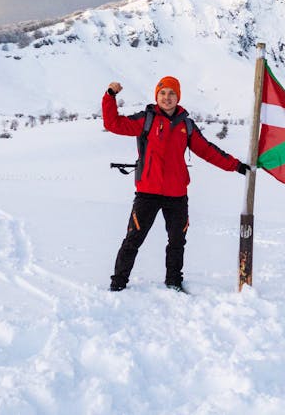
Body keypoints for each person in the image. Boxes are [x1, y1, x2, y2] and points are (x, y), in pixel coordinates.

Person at [102, 75, 249, 292]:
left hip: (177, 194)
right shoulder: (146, 120)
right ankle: (118, 284)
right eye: (163, 93)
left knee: (177, 242)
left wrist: (236, 166)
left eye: (171, 93)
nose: (167, 97)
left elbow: (207, 150)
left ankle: (174, 282)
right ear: (157, 96)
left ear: (178, 97)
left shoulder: (186, 125)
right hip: (147, 193)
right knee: (133, 239)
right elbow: (113, 124)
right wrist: (110, 96)